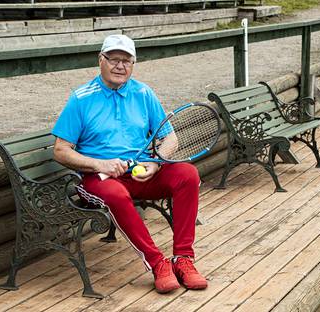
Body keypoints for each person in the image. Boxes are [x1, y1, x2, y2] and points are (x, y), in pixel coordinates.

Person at [52, 34, 208, 293]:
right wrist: (100, 165)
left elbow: (169, 137)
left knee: (187, 174)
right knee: (115, 193)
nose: (120, 66)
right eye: (114, 59)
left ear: (133, 64)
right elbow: (61, 151)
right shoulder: (81, 98)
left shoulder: (143, 93)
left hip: (141, 173)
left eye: (127, 60)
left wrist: (156, 163)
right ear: (100, 60)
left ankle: (183, 259)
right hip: (99, 179)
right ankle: (158, 263)